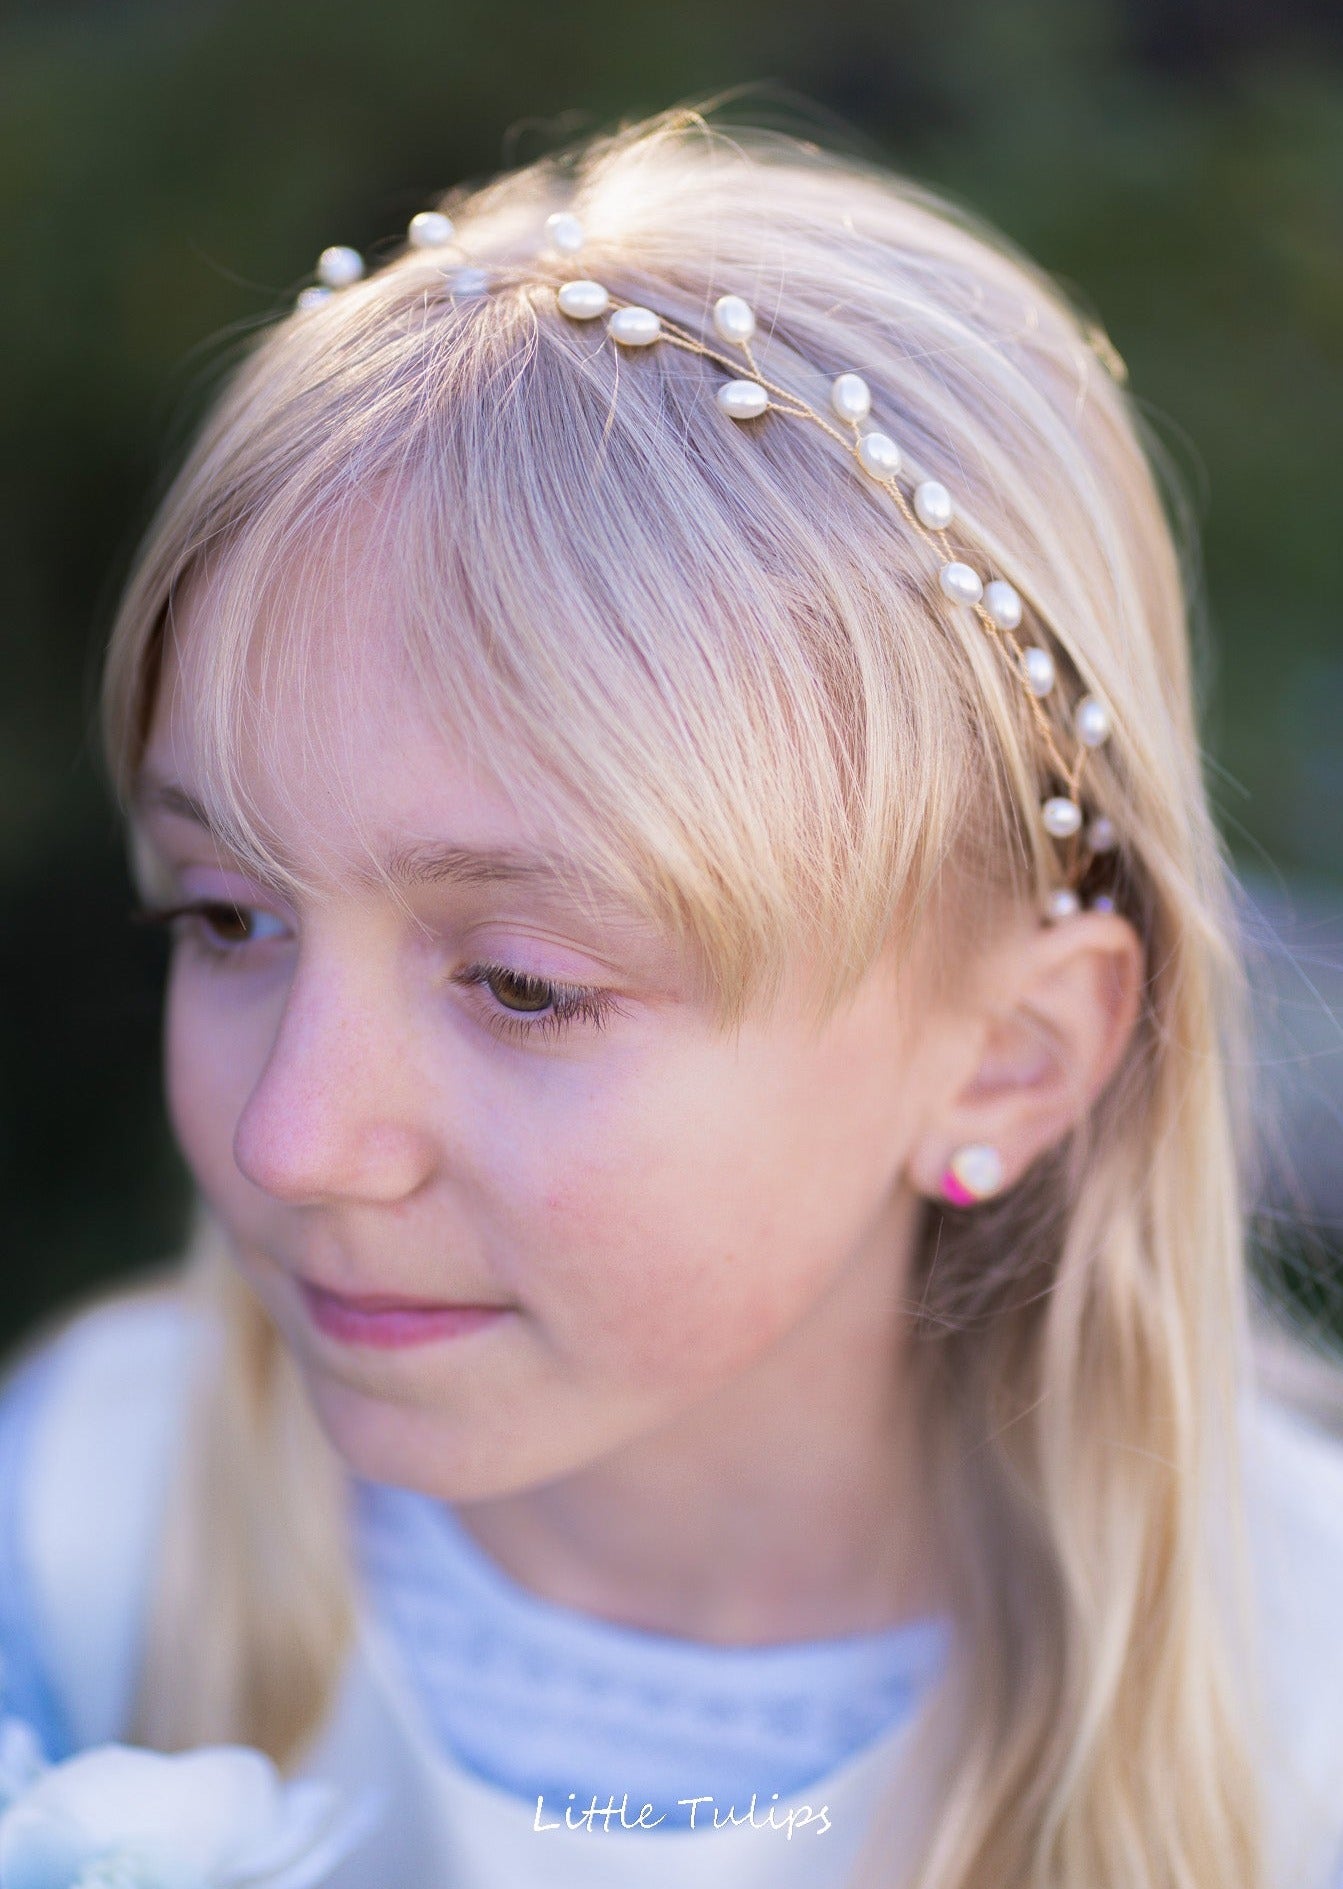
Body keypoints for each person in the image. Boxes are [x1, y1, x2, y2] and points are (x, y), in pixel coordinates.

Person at [3, 100, 1342, 1889]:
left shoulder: (1293, 1714)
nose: (296, 1138)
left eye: (527, 984)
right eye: (231, 918)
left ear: (1008, 1062)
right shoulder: (86, 1522)